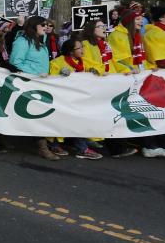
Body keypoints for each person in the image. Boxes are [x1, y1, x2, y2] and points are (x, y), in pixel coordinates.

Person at [8, 15, 59, 161]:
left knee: (41, 114)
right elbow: (15, 61)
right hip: (29, 83)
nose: (45, 27)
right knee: (36, 114)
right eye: (42, 24)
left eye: (46, 24)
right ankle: (42, 147)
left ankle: (45, 145)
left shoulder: (41, 41)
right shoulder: (22, 41)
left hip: (41, 83)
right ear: (34, 26)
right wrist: (35, 74)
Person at [48, 38, 104, 160]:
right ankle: (57, 145)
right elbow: (52, 77)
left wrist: (95, 71)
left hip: (78, 100)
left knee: (78, 122)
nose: (83, 50)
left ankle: (80, 148)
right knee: (61, 123)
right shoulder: (58, 62)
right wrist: (60, 73)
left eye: (82, 47)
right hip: (62, 100)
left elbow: (100, 67)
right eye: (79, 48)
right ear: (71, 52)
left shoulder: (84, 61)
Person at [108, 8, 148, 73]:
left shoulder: (137, 35)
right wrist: (130, 69)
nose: (141, 21)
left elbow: (141, 58)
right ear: (129, 21)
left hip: (137, 73)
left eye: (141, 19)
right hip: (124, 76)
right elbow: (119, 60)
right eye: (138, 19)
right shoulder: (116, 36)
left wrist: (150, 67)